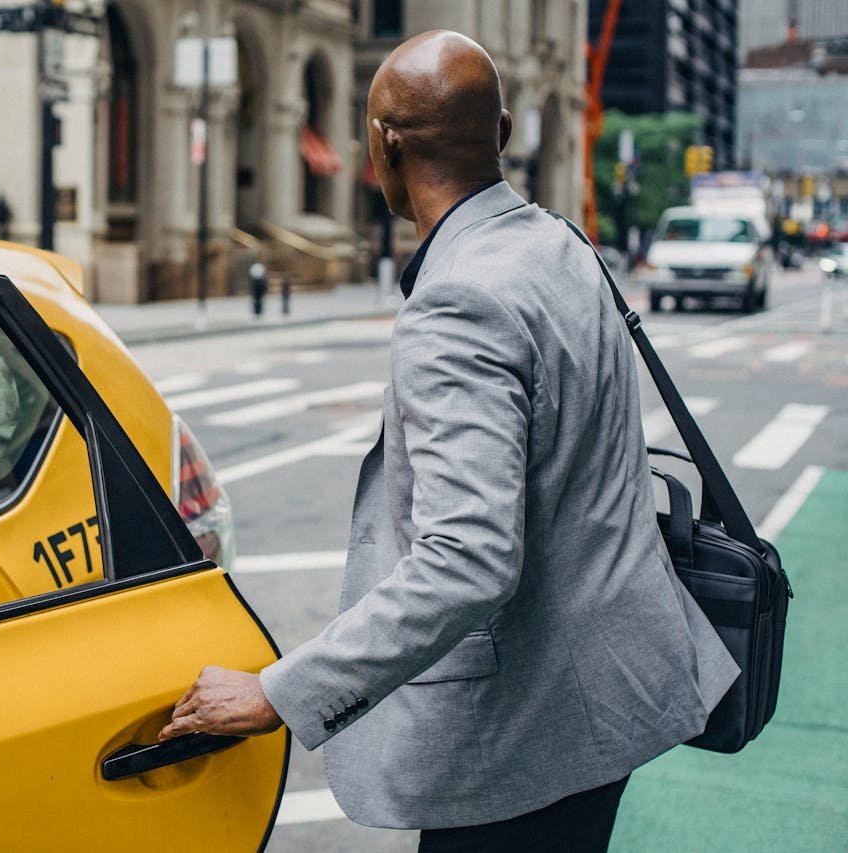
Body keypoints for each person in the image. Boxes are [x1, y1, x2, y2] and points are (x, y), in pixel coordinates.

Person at [158, 30, 739, 852]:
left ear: (384, 143)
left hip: (529, 733)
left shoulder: (459, 301)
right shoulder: (562, 246)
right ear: (501, 133)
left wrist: (280, 691)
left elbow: (468, 558)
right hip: (611, 691)